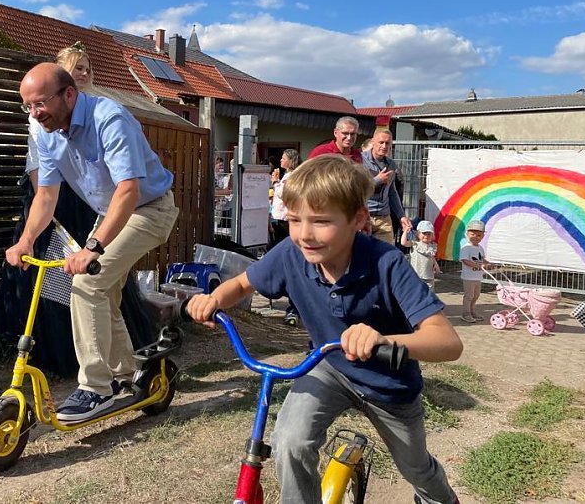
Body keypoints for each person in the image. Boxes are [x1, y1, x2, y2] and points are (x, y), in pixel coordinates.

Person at [186, 155, 463, 504]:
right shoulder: (290, 253)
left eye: (320, 221)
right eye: (295, 220)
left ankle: (442, 499)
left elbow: (447, 341)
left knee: (416, 468)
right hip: (329, 367)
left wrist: (382, 339)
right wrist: (213, 299)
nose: (304, 234)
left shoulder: (386, 262)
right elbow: (242, 284)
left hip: (388, 382)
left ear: (358, 219)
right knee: (290, 442)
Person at [5, 62, 179, 422]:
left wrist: (93, 248)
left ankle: (95, 389)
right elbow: (46, 196)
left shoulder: (109, 118)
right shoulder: (48, 134)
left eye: (40, 104)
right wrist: (25, 241)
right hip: (112, 210)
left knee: (87, 284)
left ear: (69, 94)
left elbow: (129, 190)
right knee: (105, 294)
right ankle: (125, 374)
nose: (35, 114)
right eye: (28, 106)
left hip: (149, 208)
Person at [269, 148, 301, 325]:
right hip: (279, 219)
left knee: (285, 257)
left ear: (291, 160)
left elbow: (286, 195)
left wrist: (275, 183)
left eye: (284, 158)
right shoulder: (287, 175)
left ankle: (289, 299)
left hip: (286, 221)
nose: (281, 160)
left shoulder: (294, 176)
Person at [362, 129, 412, 244]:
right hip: (364, 217)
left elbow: (392, 192)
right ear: (373, 142)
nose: (384, 146)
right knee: (362, 256)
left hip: (384, 219)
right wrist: (378, 180)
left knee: (387, 256)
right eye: (381, 142)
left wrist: (402, 216)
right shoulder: (360, 160)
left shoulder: (391, 164)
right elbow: (356, 190)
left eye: (388, 143)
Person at [459, 219, 490, 324]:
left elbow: (482, 259)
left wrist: (488, 263)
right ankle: (465, 313)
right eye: (473, 234)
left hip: (478, 277)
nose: (475, 237)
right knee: (469, 296)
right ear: (467, 234)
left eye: (479, 235)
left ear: (482, 236)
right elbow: (465, 260)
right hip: (468, 277)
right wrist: (478, 265)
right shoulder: (466, 248)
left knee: (476, 295)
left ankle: (472, 311)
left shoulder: (480, 247)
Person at [401, 220, 441, 290]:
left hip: (429, 277)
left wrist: (436, 265)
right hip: (416, 277)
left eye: (429, 233)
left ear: (432, 235)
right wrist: (405, 232)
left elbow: (431, 257)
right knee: (415, 295)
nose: (426, 235)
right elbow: (403, 243)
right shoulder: (415, 244)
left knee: (429, 296)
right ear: (418, 234)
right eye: (424, 233)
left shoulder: (432, 246)